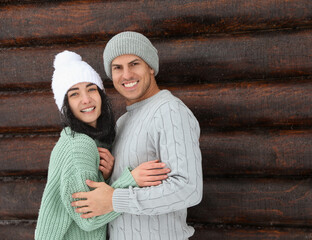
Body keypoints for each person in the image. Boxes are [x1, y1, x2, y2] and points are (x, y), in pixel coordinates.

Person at [71, 31, 203, 239]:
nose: (126, 75)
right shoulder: (123, 122)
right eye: (117, 68)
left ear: (150, 67)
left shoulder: (169, 111)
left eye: (134, 64)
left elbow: (188, 188)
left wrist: (115, 199)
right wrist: (113, 175)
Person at [35, 50, 169, 240]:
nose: (86, 99)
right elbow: (88, 218)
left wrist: (106, 177)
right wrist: (131, 180)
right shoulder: (79, 146)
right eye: (74, 94)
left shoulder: (82, 140)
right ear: (66, 106)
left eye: (91, 89)